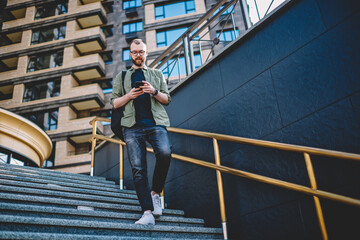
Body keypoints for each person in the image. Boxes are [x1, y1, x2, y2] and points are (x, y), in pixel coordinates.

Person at [111, 39, 172, 225]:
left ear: (146, 53)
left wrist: (153, 91)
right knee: (138, 169)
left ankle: (155, 193)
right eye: (135, 52)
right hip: (131, 126)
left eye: (141, 51)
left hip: (155, 124)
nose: (138, 55)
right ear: (130, 54)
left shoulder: (156, 74)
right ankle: (147, 212)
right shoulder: (121, 77)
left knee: (165, 153)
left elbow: (167, 99)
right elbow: (114, 103)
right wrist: (130, 95)